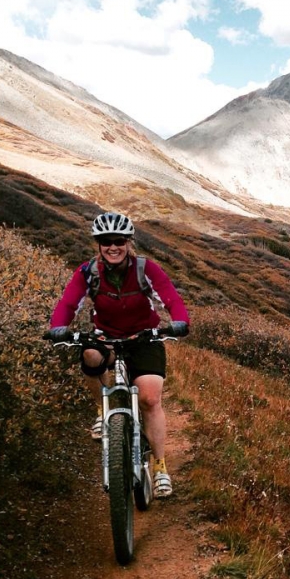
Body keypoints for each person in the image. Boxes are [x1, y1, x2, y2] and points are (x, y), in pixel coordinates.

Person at [48, 212, 189, 498]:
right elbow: (68, 303)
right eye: (106, 241)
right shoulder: (88, 272)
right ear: (98, 245)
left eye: (119, 241)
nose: (113, 247)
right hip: (107, 338)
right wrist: (57, 328)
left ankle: (161, 468)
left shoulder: (145, 269)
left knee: (150, 398)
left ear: (128, 242)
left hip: (144, 338)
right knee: (89, 354)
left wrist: (179, 321)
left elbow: (169, 297)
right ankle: (102, 412)